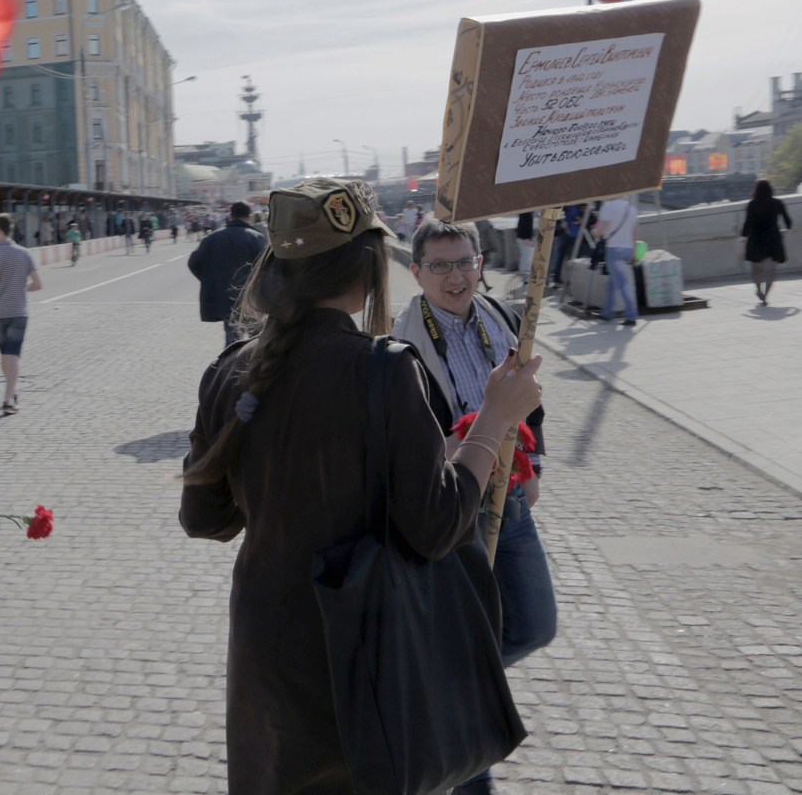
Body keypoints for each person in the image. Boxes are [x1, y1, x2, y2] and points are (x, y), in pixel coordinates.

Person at [180, 178, 544, 795]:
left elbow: (205, 519)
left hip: (269, 648)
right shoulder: (384, 366)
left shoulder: (229, 368)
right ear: (369, 264)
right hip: (364, 644)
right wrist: (494, 419)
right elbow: (436, 525)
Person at [391, 218, 558, 794]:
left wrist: (535, 466)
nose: (456, 276)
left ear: (481, 263)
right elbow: (399, 447)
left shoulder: (507, 319)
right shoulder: (398, 346)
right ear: (416, 273)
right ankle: (464, 750)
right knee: (468, 637)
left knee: (535, 624)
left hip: (507, 497)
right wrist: (454, 447)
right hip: (451, 507)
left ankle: (446, 695)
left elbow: (530, 402)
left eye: (465, 262)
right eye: (440, 265)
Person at [0, 213, 41, 414]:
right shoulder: (25, 253)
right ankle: (10, 395)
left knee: (5, 356)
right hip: (18, 311)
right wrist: (23, 288)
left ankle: (9, 396)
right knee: (13, 355)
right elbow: (38, 284)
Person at [188, 201, 267, 346]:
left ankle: (232, 366)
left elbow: (194, 263)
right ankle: (255, 367)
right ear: (248, 218)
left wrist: (210, 280)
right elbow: (266, 267)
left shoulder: (211, 238)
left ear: (230, 216)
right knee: (257, 340)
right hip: (251, 297)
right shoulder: (257, 238)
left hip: (224, 295)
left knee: (232, 340)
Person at [741, 179, 792, 305]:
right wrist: (786, 230)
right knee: (771, 271)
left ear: (756, 190)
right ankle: (766, 296)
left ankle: (759, 290)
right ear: (770, 189)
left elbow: (747, 223)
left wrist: (742, 237)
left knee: (757, 269)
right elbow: (788, 221)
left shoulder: (752, 204)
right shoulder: (777, 203)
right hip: (773, 238)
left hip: (756, 238)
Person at [592, 195, 639, 326]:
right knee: (611, 283)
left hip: (614, 250)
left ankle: (631, 316)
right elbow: (634, 233)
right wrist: (634, 253)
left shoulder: (608, 207)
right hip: (628, 249)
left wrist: (593, 232)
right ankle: (606, 313)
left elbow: (601, 231)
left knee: (623, 284)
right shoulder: (631, 208)